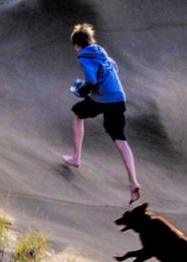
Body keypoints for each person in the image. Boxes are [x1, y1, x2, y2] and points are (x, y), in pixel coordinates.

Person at [63, 23, 141, 204]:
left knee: (77, 114)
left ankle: (76, 157)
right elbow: (114, 67)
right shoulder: (101, 52)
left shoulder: (84, 57)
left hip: (103, 98)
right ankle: (133, 181)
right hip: (118, 97)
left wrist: (83, 89)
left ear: (76, 45)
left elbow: (90, 79)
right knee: (121, 140)